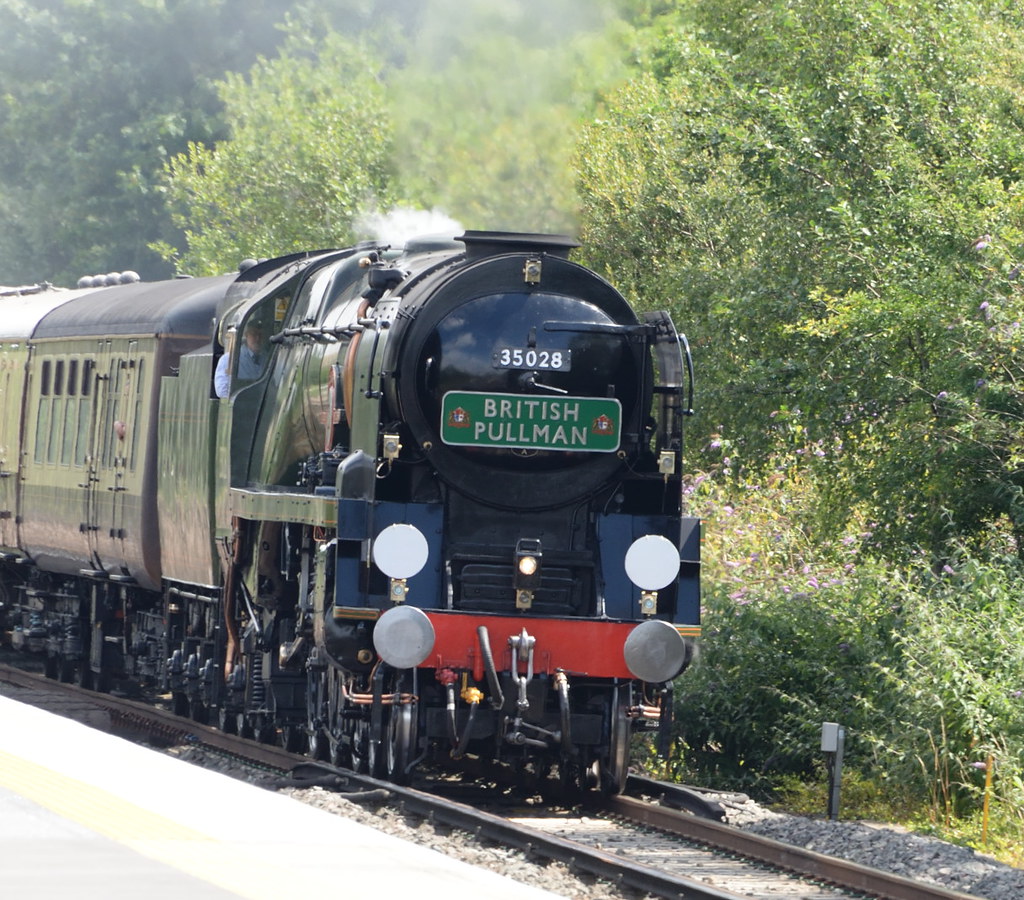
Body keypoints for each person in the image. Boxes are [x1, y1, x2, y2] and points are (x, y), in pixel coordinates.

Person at [213, 322, 264, 398]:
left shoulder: (269, 358)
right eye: (253, 334)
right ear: (246, 336)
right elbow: (222, 390)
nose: (257, 339)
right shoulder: (229, 359)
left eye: (261, 335)